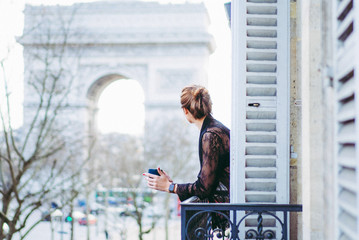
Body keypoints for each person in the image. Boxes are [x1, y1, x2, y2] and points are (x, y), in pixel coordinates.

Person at [143, 84, 230, 234]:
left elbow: (204, 188)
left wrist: (171, 187)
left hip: (227, 217)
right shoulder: (216, 129)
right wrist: (172, 186)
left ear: (185, 110)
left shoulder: (210, 135)